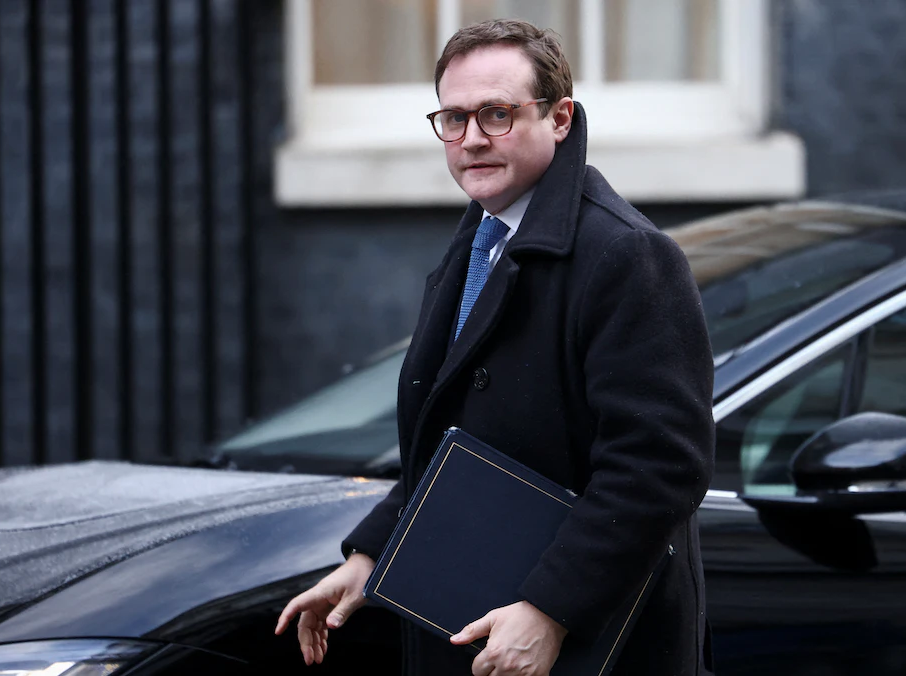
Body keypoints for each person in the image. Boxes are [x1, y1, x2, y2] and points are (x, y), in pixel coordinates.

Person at [275, 19, 715, 676]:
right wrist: (372, 556)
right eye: (453, 118)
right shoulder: (480, 241)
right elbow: (451, 444)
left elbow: (659, 466)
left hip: (588, 649)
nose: (472, 138)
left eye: (497, 114)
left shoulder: (627, 254)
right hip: (472, 628)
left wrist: (551, 609)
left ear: (560, 118)